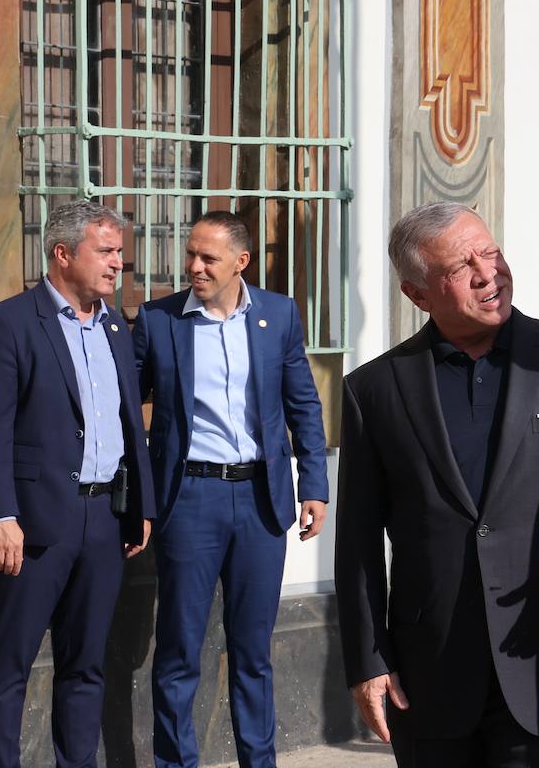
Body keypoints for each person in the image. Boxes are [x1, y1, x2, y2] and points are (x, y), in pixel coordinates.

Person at [335, 202, 539, 767]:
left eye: (491, 253)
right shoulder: (375, 390)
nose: (489, 273)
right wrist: (366, 658)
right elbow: (358, 541)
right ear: (418, 294)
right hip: (427, 674)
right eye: (462, 268)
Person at [133, 211, 329, 768]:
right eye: (190, 254)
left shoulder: (278, 314)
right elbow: (126, 410)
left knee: (253, 652)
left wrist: (313, 483)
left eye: (207, 258)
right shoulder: (158, 320)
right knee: (178, 652)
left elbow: (303, 404)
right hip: (189, 500)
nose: (193, 266)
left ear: (241, 262)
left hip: (261, 503)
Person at [0, 201, 154, 767]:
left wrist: (138, 502)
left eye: (120, 252)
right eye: (106, 251)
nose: (117, 263)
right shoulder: (9, 322)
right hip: (34, 522)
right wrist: (1, 515)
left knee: (87, 664)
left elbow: (128, 421)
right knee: (8, 666)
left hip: (104, 520)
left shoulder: (116, 325)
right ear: (63, 253)